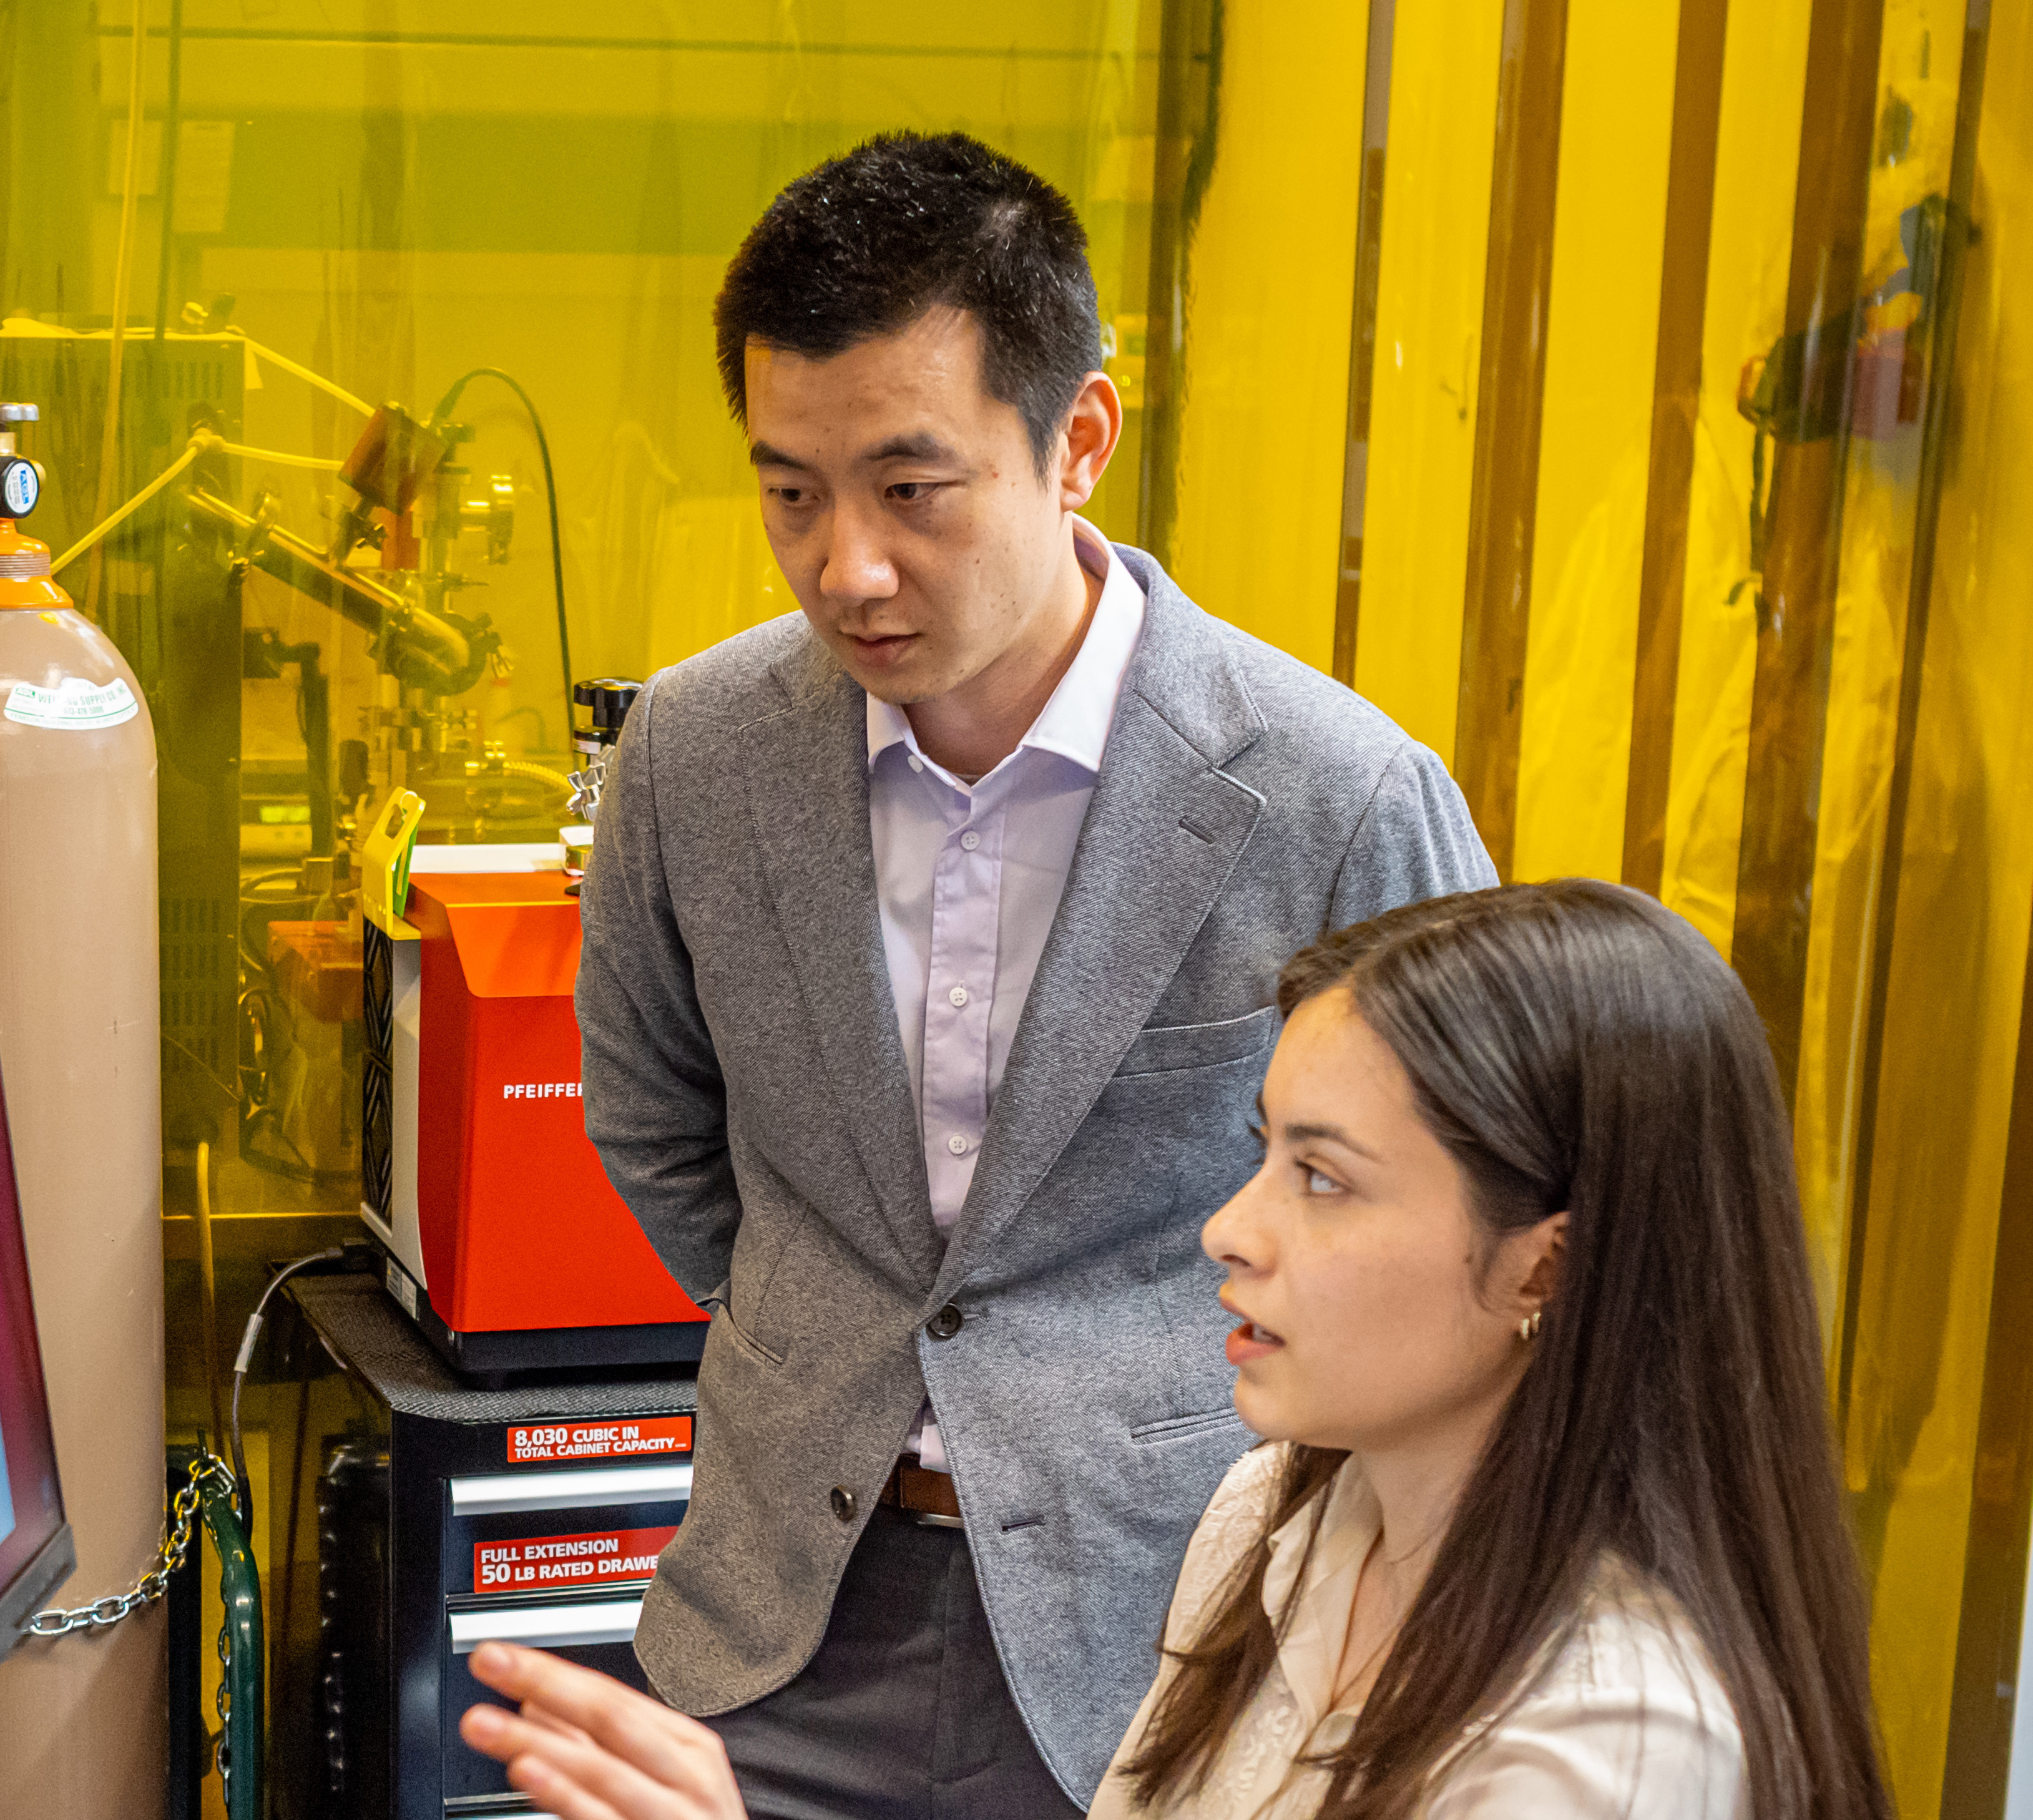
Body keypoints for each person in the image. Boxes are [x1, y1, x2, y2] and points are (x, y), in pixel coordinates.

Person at [573, 132, 1492, 1814]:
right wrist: (826, 1322)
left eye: (912, 489)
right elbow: (652, 1116)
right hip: (782, 1612)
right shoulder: (696, 759)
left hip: (1183, 1630)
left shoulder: (1334, 792)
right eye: (792, 490)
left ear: (1080, 440)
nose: (846, 565)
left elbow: (1471, 1220)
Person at [479, 881, 1893, 1819]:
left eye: (1324, 1179)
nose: (1229, 1230)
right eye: (1259, 1154)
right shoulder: (1273, 1513)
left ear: (1550, 1264)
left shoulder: (1606, 1749)